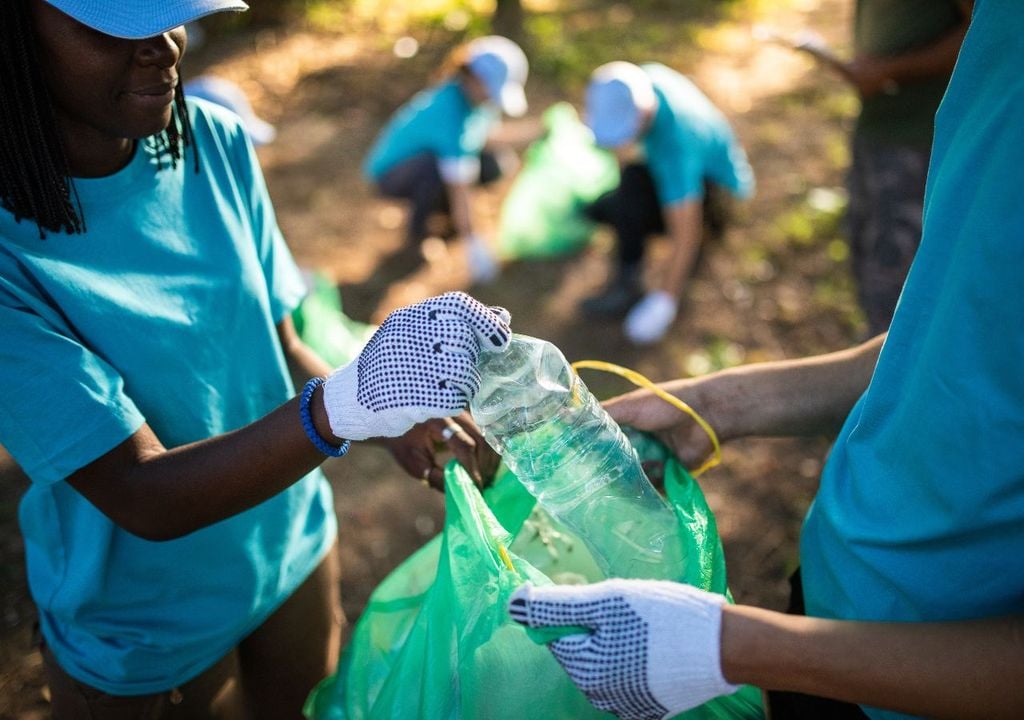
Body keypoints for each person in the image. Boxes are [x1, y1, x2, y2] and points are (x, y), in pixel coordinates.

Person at [508, 1, 1024, 718]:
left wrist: (734, 647)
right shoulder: (999, 33)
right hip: (835, 580)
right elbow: (952, 342)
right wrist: (716, 407)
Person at [0, 1, 510, 718]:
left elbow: (280, 340)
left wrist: (390, 417)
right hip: (142, 627)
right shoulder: (10, 254)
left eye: (168, 15)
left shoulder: (211, 142)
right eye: (114, 25)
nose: (162, 45)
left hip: (288, 548)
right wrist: (349, 404)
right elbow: (142, 493)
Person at [817, 0, 972, 335]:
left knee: (901, 291)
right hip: (875, 131)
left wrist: (890, 70)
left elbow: (982, 35)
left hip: (919, 139)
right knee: (868, 267)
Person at [578, 60, 755, 346]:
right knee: (617, 199)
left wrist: (664, 301)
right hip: (689, 169)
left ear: (643, 116)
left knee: (630, 195)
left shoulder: (676, 146)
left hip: (717, 194)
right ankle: (629, 265)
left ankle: (631, 285)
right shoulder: (644, 79)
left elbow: (686, 232)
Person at [363, 35, 529, 285]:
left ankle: (447, 221)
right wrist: (473, 241)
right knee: (432, 171)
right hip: (393, 175)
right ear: (473, 77)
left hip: (431, 163)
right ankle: (417, 238)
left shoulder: (475, 99)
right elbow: (459, 186)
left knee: (493, 164)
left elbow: (486, 137)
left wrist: (536, 132)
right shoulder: (448, 112)